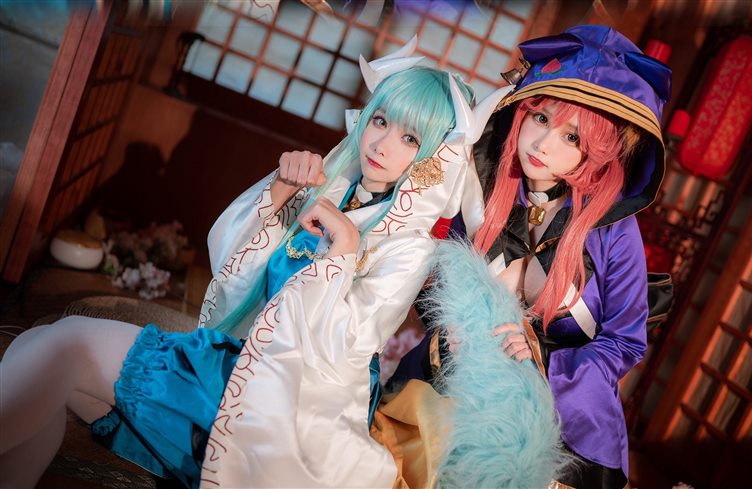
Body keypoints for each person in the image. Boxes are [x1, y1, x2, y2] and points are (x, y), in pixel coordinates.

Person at [0, 38, 510, 489]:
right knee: (41, 350)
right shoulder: (334, 187)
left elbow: (344, 348)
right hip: (241, 364)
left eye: (410, 138)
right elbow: (233, 266)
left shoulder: (411, 247)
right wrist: (280, 190)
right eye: (381, 120)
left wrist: (343, 250)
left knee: (63, 346)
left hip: (289, 407)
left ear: (434, 160)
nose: (381, 144)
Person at [388, 25, 671, 489]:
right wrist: (450, 329)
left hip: (564, 419)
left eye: (572, 137)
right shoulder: (480, 187)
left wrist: (543, 357)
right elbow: (434, 280)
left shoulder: (615, 231)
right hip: (455, 381)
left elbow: (625, 343)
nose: (543, 144)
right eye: (541, 118)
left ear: (599, 153)